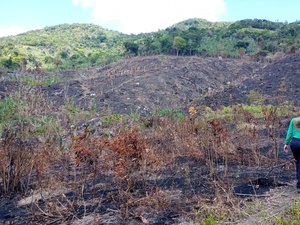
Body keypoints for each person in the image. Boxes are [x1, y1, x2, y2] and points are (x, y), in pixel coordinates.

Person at [284, 117, 300, 191]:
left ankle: (298, 179)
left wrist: (286, 143)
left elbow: (290, 132)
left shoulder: (294, 120)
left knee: (298, 161)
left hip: (294, 143)